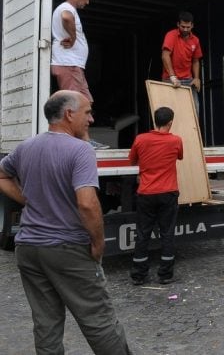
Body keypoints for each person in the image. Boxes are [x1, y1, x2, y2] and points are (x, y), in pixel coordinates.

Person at [0, 91, 132, 354]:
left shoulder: (26, 147)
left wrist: (28, 201)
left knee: (46, 323)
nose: (91, 119)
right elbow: (87, 202)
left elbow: (2, 175)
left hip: (28, 248)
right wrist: (97, 243)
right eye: (87, 112)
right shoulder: (81, 150)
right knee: (99, 320)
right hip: (67, 248)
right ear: (69, 114)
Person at [128, 107, 184, 285]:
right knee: (167, 233)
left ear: (154, 121)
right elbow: (180, 157)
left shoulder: (140, 139)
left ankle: (139, 275)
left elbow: (132, 160)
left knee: (143, 234)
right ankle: (165, 275)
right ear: (170, 123)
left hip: (146, 193)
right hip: (168, 193)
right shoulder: (176, 141)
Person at [50, 0, 108, 150]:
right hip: (68, 64)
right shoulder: (65, 9)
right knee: (73, 105)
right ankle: (72, 142)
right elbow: (66, 18)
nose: (87, 2)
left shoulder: (70, 9)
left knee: (86, 102)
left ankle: (85, 140)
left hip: (74, 66)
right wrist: (73, 37)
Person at [162, 11, 203, 113]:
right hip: (170, 79)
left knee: (194, 109)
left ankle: (191, 129)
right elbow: (165, 55)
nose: (185, 29)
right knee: (170, 110)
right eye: (183, 26)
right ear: (178, 24)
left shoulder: (195, 40)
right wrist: (172, 76)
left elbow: (195, 61)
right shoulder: (171, 35)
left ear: (192, 25)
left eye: (188, 27)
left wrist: (197, 78)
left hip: (188, 80)